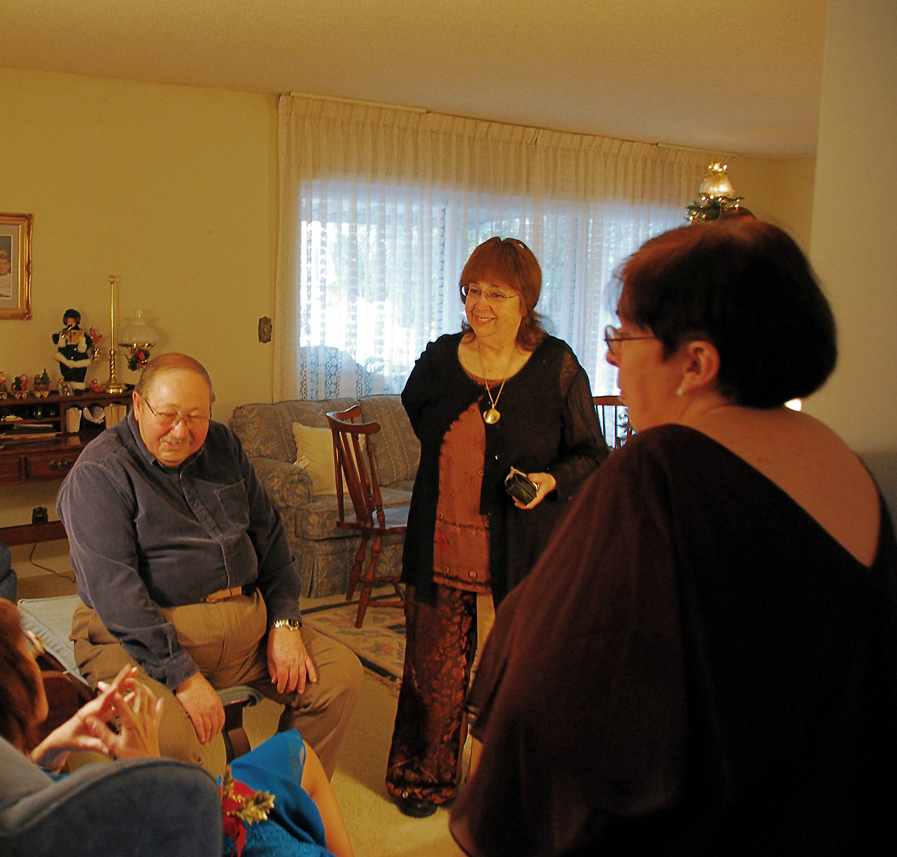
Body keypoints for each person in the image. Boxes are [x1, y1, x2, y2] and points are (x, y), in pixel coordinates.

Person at [448, 220, 897, 855]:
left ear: (696, 363)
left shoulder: (658, 473)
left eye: (625, 334)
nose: (610, 356)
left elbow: (551, 701)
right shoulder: (850, 465)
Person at [58, 353, 364, 776]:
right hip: (140, 640)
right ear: (137, 405)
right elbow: (115, 592)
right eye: (166, 415)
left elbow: (271, 539)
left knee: (339, 677)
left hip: (245, 631)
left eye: (196, 416)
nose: (181, 431)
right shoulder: (100, 471)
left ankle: (272, 808)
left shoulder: (222, 445)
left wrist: (285, 624)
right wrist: (182, 676)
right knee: (169, 742)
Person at [387, 237, 608, 817]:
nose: (480, 304)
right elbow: (417, 411)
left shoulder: (556, 366)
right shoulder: (439, 359)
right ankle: (423, 779)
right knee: (432, 670)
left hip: (525, 547)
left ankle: (513, 783)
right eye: (472, 291)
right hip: (440, 540)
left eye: (497, 293)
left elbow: (591, 453)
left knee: (520, 673)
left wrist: (548, 481)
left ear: (526, 300)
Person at [0, 596, 355, 857]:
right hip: (192, 829)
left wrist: (48, 752)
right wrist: (147, 774)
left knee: (295, 750)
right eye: (22, 647)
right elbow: (174, 837)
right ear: (3, 691)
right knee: (297, 764)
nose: (34, 648)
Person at [52, 308, 94, 391]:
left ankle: (78, 388)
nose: (70, 323)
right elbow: (56, 339)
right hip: (66, 359)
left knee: (79, 374)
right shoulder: (64, 332)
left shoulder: (81, 333)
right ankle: (67, 388)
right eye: (68, 321)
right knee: (67, 373)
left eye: (72, 321)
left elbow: (89, 341)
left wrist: (82, 341)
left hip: (79, 359)